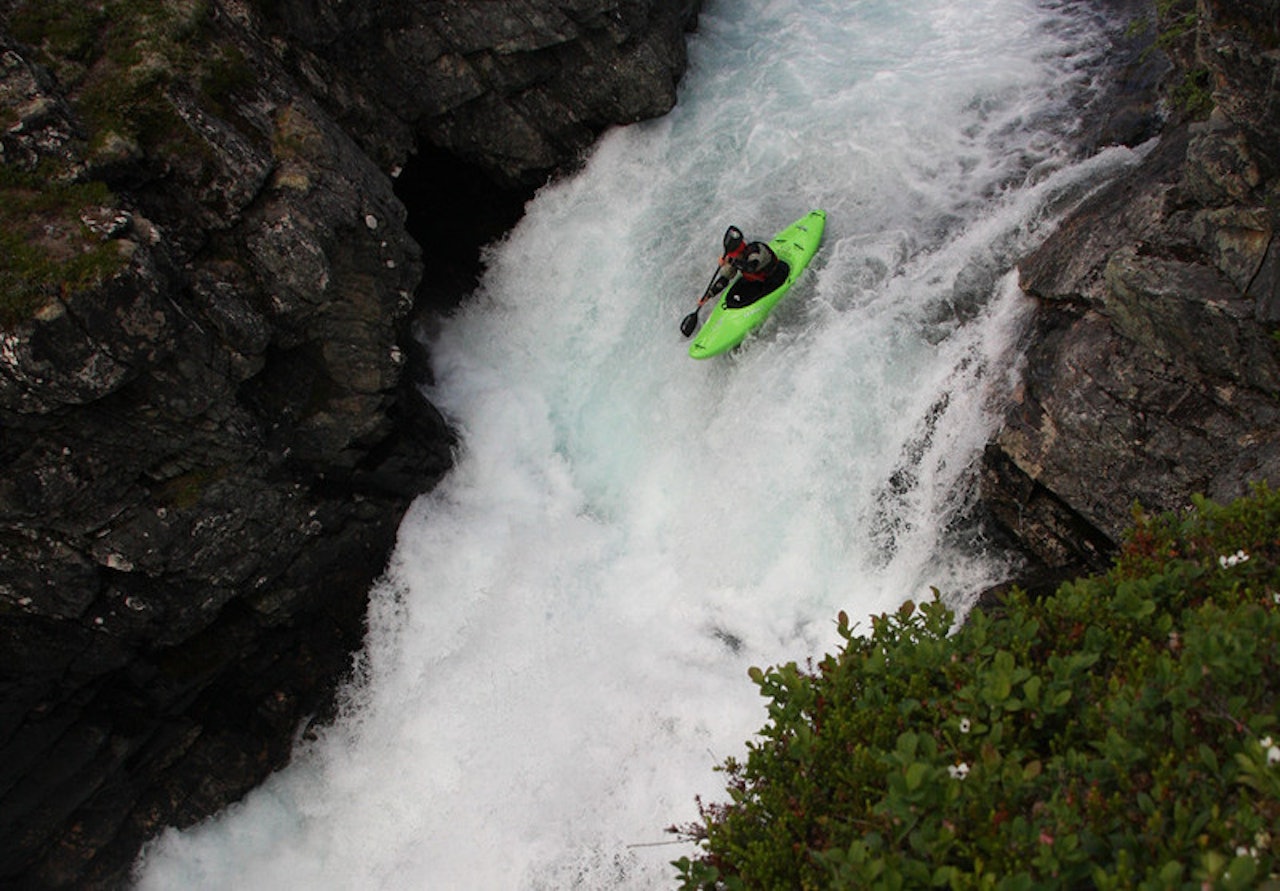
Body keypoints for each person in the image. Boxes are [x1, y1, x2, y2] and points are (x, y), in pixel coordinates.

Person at [709, 225, 787, 308]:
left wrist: (730, 261)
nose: (733, 257)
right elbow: (725, 278)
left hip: (774, 278)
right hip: (756, 281)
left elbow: (751, 267)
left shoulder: (756, 251)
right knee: (732, 298)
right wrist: (710, 294)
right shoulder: (736, 259)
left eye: (734, 255)